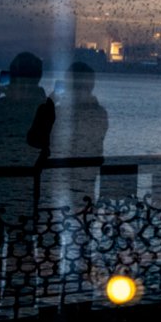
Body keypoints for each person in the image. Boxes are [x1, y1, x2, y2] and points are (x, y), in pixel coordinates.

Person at [0, 52, 55, 309]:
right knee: (22, 249)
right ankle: (22, 305)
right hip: (25, 187)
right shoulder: (45, 106)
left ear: (12, 75)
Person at [48, 62, 108, 212]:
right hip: (87, 181)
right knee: (84, 224)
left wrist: (49, 105)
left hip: (57, 181)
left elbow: (42, 138)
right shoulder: (100, 113)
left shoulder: (58, 113)